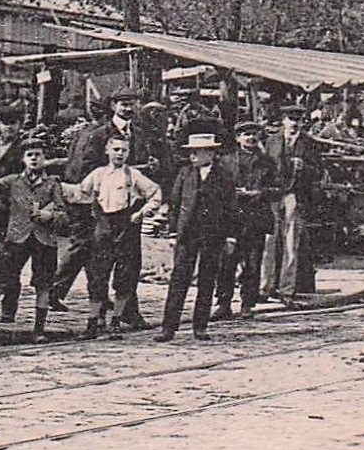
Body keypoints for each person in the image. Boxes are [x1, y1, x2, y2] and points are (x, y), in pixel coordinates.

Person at [51, 87, 168, 312]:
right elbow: (87, 170)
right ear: (113, 106)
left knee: (129, 261)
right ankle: (62, 293)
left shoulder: (140, 134)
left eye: (132, 103)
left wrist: (150, 168)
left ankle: (126, 311)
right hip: (102, 208)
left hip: (130, 207)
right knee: (95, 254)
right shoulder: (99, 135)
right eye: (123, 103)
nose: (128, 107)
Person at [63, 135, 163, 337]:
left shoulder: (133, 175)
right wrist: (58, 187)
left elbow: (155, 193)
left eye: (124, 150)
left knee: (124, 276)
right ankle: (92, 322)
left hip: (126, 229)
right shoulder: (98, 174)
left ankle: (116, 321)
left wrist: (142, 213)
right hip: (103, 228)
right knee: (98, 275)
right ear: (107, 151)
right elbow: (82, 193)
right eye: (116, 149)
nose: (120, 153)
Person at [0, 130, 66, 342]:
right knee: (2, 277)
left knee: (43, 283)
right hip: (17, 237)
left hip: (44, 239)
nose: (34, 158)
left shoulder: (52, 184)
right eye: (30, 154)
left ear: (44, 159)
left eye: (38, 154)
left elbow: (64, 214)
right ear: (23, 159)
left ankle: (39, 328)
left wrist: (49, 215)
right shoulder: (13, 181)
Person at [158, 132, 238, 342]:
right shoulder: (185, 173)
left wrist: (230, 236)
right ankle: (168, 328)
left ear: (210, 153)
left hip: (213, 234)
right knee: (179, 279)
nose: (192, 157)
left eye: (197, 152)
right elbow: (175, 205)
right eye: (191, 153)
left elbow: (231, 208)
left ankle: (200, 326)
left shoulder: (224, 175)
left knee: (207, 280)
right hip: (188, 234)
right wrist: (173, 232)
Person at [213, 121, 276, 320]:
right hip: (232, 217)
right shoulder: (225, 161)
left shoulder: (267, 162)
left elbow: (278, 188)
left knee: (252, 262)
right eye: (246, 134)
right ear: (238, 137)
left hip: (255, 217)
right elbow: (216, 187)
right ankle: (223, 303)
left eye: (253, 134)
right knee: (227, 261)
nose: (250, 138)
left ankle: (247, 303)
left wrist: (258, 192)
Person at [261, 106, 323, 303]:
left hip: (294, 196)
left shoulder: (310, 144)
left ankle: (286, 289)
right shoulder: (271, 141)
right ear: (283, 120)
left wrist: (305, 167)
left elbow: (319, 172)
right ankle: (265, 287)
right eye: (291, 118)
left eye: (299, 119)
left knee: (290, 243)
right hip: (273, 195)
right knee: (268, 242)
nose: (295, 122)